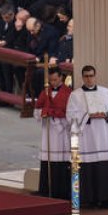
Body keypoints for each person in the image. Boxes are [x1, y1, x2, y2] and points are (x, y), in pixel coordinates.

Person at [67, 65, 108, 208]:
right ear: (82, 77)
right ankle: (89, 199)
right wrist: (88, 115)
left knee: (106, 167)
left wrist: (107, 116)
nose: (89, 79)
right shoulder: (75, 95)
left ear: (95, 76)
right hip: (87, 137)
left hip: (105, 135)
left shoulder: (106, 93)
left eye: (91, 75)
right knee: (88, 167)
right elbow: (70, 116)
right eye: (86, 76)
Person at [37, 66, 73, 200]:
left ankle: (61, 191)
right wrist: (43, 114)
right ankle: (46, 190)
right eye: (51, 80)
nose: (53, 83)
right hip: (48, 131)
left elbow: (71, 114)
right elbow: (37, 109)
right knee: (48, 160)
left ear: (61, 78)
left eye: (55, 79)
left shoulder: (69, 93)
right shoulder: (45, 92)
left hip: (61, 133)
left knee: (61, 162)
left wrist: (56, 117)